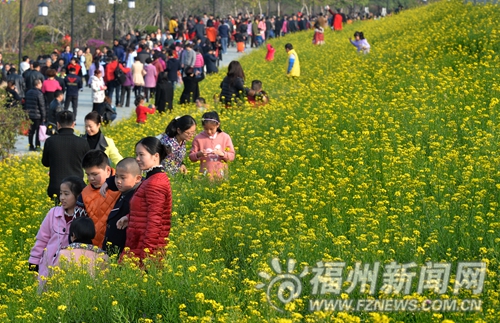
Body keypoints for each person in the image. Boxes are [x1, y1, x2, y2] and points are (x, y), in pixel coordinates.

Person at [115, 137, 172, 262]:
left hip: (143, 248)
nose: (137, 159)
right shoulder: (152, 178)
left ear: (155, 156)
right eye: (136, 154)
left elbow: (155, 223)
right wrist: (129, 217)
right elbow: (147, 210)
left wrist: (146, 257)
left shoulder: (155, 182)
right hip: (138, 243)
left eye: (141, 155)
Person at [28, 176, 86, 283]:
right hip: (47, 269)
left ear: (78, 196)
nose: (62, 198)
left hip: (70, 272)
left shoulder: (83, 219)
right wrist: (33, 265)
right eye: (61, 193)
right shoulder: (53, 213)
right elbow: (42, 240)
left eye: (66, 194)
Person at [74, 150, 122, 248]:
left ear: (108, 170)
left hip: (119, 248)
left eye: (95, 174)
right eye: (88, 174)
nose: (91, 178)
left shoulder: (122, 186)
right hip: (93, 250)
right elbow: (78, 225)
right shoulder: (84, 194)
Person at [42, 111, 90, 201]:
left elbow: (45, 163)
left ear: (58, 124)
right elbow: (87, 163)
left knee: (57, 214)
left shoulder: (50, 141)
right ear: (73, 124)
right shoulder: (83, 142)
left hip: (56, 188)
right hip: (77, 187)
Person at [189, 111, 235, 178]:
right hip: (205, 177)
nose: (209, 131)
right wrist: (198, 154)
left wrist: (222, 154)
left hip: (222, 176)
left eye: (211, 129)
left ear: (218, 125)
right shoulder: (198, 138)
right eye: (206, 129)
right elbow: (191, 157)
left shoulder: (225, 137)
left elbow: (232, 156)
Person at [23, 79, 46, 151]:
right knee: (38, 131)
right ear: (38, 84)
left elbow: (25, 103)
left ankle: (30, 145)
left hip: (29, 115)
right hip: (37, 115)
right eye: (41, 83)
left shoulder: (28, 92)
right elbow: (42, 106)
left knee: (31, 131)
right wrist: (44, 116)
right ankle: (37, 145)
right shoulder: (39, 93)